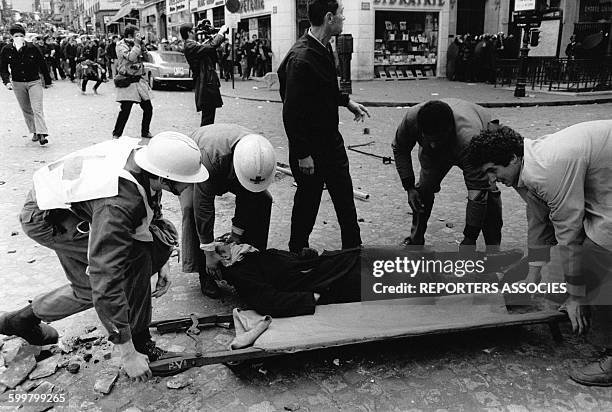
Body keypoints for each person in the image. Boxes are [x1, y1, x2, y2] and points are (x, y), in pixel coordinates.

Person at [0, 132, 209, 382]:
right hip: (47, 216)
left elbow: (152, 211)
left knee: (90, 288)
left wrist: (162, 261)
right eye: (186, 181)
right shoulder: (118, 204)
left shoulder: (151, 159)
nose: (191, 186)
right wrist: (128, 352)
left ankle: (19, 321)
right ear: (165, 177)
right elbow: (106, 276)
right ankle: (141, 345)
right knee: (133, 262)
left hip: (65, 204)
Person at [467, 120, 612, 387]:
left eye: (492, 170)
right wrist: (532, 277)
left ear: (511, 158)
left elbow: (570, 234)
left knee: (598, 253)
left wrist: (577, 295)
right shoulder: (526, 168)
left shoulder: (544, 170)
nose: (491, 180)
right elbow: (539, 221)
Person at [278, 0, 370, 253]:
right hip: (310, 149)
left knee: (344, 197)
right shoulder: (301, 58)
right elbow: (292, 113)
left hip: (331, 141)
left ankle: (353, 249)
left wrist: (346, 101)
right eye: (342, 14)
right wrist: (302, 154)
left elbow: (325, 88)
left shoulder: (325, 47)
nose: (344, 19)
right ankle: (297, 250)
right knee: (308, 201)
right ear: (329, 18)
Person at [180, 123, 276, 298]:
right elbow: (203, 208)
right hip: (199, 159)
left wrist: (237, 233)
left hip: (231, 160)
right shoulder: (209, 159)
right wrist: (209, 252)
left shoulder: (260, 153)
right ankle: (206, 272)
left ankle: (252, 259)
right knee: (191, 207)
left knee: (263, 200)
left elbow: (250, 194)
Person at [392, 99, 503, 249]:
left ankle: (493, 249)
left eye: (436, 140)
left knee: (488, 192)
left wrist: (469, 238)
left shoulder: (470, 140)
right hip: (439, 151)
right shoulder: (412, 119)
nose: (432, 145)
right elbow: (400, 148)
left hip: (478, 137)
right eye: (428, 139)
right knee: (423, 191)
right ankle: (415, 240)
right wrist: (409, 188)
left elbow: (477, 192)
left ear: (450, 130)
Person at [0, 24, 52, 145]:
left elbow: (42, 64)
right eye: (16, 36)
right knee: (26, 109)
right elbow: (2, 68)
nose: (19, 38)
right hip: (18, 83)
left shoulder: (32, 48)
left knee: (37, 108)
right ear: (11, 37)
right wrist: (6, 82)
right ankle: (34, 131)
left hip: (34, 81)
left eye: (21, 35)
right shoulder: (6, 50)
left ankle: (42, 133)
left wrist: (47, 81)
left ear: (25, 36)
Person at [180, 21, 228, 126]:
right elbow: (211, 47)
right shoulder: (190, 45)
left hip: (206, 81)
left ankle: (205, 137)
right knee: (208, 117)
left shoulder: (193, 45)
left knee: (209, 114)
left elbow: (208, 49)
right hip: (205, 83)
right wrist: (220, 33)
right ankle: (203, 138)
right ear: (189, 33)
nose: (195, 32)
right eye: (193, 31)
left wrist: (213, 37)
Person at [112, 24, 154, 139]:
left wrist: (144, 48)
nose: (139, 37)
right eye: (137, 35)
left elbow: (149, 59)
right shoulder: (121, 46)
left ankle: (145, 131)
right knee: (125, 110)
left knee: (148, 108)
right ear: (130, 35)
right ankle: (116, 134)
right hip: (128, 81)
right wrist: (136, 45)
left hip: (139, 81)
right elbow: (130, 57)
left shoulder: (138, 44)